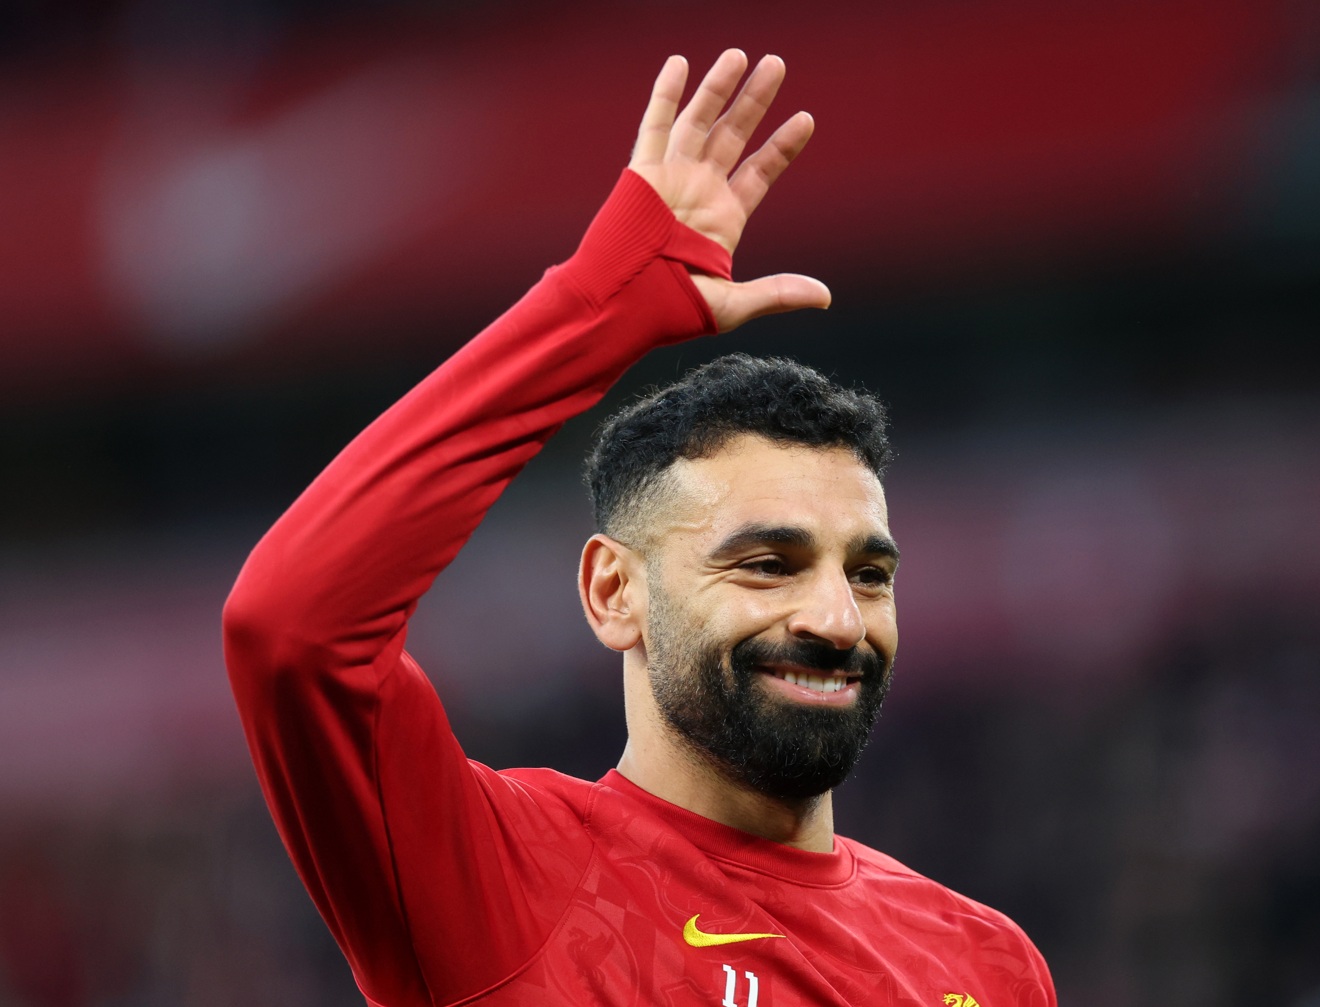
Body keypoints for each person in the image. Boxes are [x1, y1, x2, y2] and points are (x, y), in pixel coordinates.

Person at [223, 50, 1057, 1007]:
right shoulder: (506, 882)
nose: (836, 617)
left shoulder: (985, 963)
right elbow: (293, 628)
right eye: (766, 563)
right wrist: (598, 308)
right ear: (614, 592)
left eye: (867, 573)